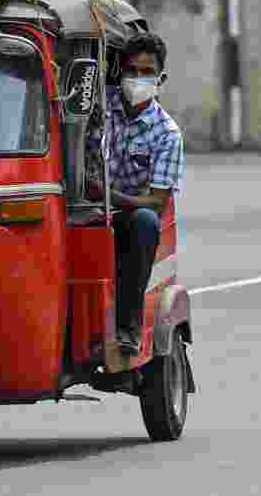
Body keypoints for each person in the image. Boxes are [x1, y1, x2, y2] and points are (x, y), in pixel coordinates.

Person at [84, 32, 184, 355]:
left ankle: (129, 329)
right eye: (132, 71)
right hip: (84, 206)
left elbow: (156, 202)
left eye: (146, 73)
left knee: (144, 221)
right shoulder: (99, 106)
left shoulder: (167, 134)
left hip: (127, 216)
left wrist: (109, 195)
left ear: (160, 78)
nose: (138, 79)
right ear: (120, 73)